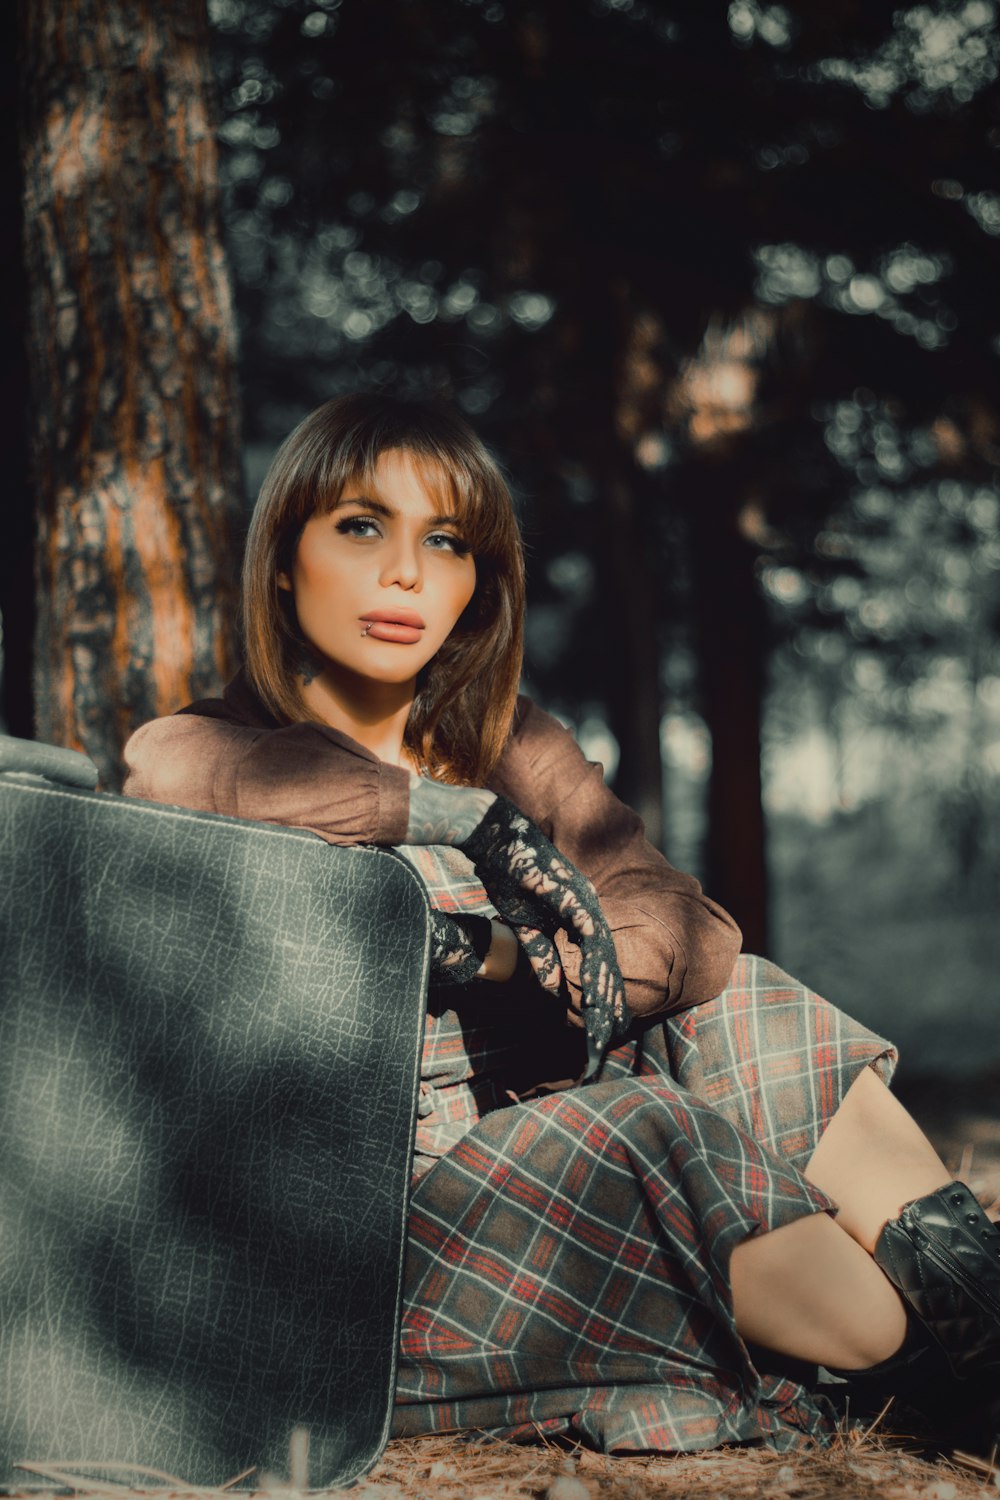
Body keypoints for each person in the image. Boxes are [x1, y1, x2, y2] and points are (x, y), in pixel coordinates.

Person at [123, 393, 1000, 1457]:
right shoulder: (215, 749)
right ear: (282, 558)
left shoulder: (512, 742)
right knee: (648, 1130)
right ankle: (908, 1370)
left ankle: (976, 1340)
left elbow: (691, 926)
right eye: (362, 527)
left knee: (747, 1000)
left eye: (444, 542)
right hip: (378, 1235)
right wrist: (454, 823)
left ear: (475, 583)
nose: (405, 573)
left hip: (539, 1127)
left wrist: (525, 962)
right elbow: (164, 770)